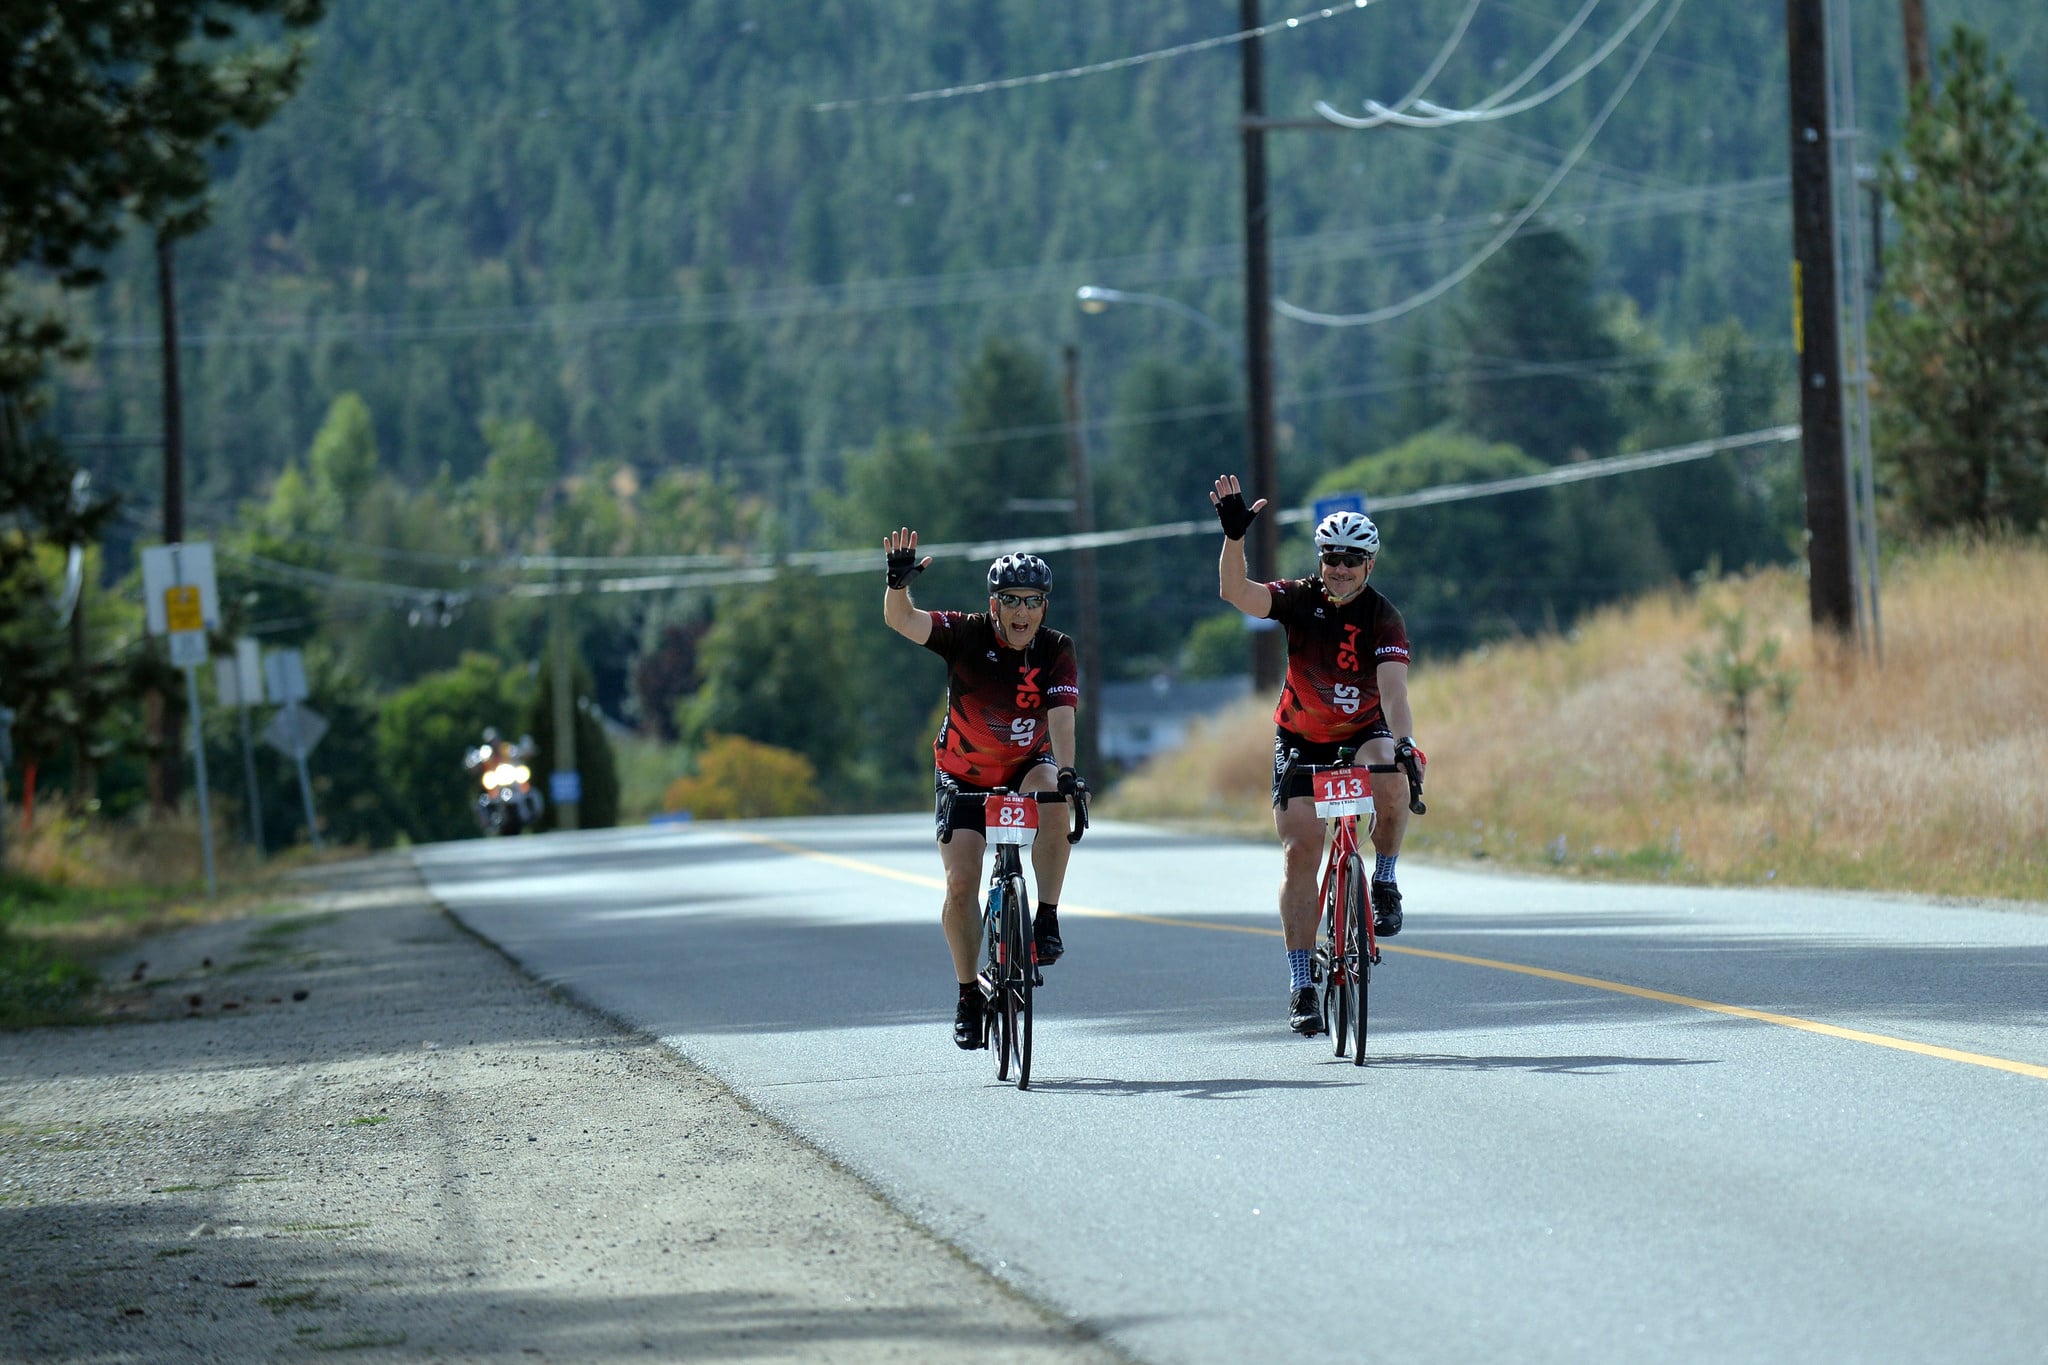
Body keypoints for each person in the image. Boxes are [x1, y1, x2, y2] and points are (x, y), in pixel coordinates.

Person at [1209, 475, 1424, 1037]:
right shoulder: (1301, 598)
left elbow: (1395, 693)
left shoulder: (1383, 617)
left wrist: (1405, 744)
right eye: (1332, 557)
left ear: (1369, 564)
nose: (1340, 568)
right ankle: (1302, 982)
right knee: (1300, 851)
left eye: (1352, 559)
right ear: (1320, 559)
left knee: (1392, 770)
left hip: (1362, 732)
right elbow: (1237, 593)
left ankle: (1385, 879)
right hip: (1300, 739)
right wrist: (1234, 537)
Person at [882, 528, 1086, 1050]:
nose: (1022, 612)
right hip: (963, 774)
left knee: (1055, 795)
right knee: (960, 884)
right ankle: (968, 993)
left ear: (1044, 607)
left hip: (1025, 766)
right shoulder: (965, 634)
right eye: (1011, 600)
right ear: (993, 604)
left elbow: (1062, 717)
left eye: (1033, 601)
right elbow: (902, 620)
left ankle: (1046, 918)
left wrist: (1067, 772)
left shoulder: (1056, 648)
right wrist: (897, 585)